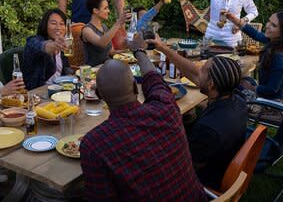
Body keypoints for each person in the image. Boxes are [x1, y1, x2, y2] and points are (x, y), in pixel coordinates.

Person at [80, 35, 207, 200]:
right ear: (135, 86)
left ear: (99, 95)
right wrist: (139, 51)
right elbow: (154, 78)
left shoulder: (94, 144)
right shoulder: (166, 108)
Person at [147, 35, 247, 189]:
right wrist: (162, 48)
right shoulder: (238, 101)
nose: (198, 71)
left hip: (202, 181)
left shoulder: (208, 129)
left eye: (203, 70)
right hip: (221, 159)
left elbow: (185, 169)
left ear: (211, 84)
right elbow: (194, 73)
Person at [226, 9, 283, 101]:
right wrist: (234, 20)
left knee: (228, 85)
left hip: (271, 103)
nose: (268, 26)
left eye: (273, 25)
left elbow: (271, 90)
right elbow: (256, 34)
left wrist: (252, 88)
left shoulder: (279, 57)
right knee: (241, 79)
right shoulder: (275, 42)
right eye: (269, 21)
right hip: (270, 94)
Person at [22, 8, 74, 89]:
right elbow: (41, 46)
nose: (58, 27)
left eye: (62, 24)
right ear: (45, 25)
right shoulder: (33, 41)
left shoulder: (63, 43)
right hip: (37, 93)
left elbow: (66, 69)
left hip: (60, 89)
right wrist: (54, 45)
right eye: (53, 23)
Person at [81, 0, 130, 66]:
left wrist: (128, 51)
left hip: (108, 66)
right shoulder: (87, 30)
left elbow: (111, 52)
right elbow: (101, 43)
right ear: (95, 10)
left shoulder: (104, 27)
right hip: (94, 71)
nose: (108, 11)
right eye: (105, 8)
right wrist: (118, 23)